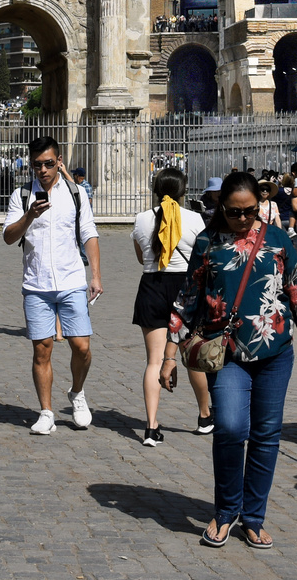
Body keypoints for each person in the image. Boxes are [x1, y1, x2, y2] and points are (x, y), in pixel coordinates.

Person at [163, 171, 297, 549]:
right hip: (228, 354)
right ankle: (225, 511)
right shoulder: (208, 242)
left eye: (250, 212)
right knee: (229, 427)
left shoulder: (277, 239)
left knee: (266, 435)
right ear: (221, 207)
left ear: (261, 206)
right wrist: (169, 356)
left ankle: (253, 518)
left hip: (276, 355)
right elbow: (187, 299)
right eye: (234, 212)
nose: (242, 219)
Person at [2, 136, 103, 434]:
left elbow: (89, 233)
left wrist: (95, 275)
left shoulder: (75, 193)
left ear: (59, 161)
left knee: (82, 346)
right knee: (42, 350)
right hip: (36, 284)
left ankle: (77, 392)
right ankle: (46, 412)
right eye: (37, 165)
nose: (43, 170)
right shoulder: (21, 196)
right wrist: (29, 216)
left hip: (72, 279)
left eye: (48, 163)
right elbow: (8, 236)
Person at [129, 167, 212, 446]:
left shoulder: (141, 219)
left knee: (154, 360)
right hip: (185, 288)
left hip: (152, 286)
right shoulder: (195, 219)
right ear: (183, 190)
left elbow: (142, 259)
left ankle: (151, 426)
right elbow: (203, 258)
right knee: (191, 356)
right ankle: (204, 416)